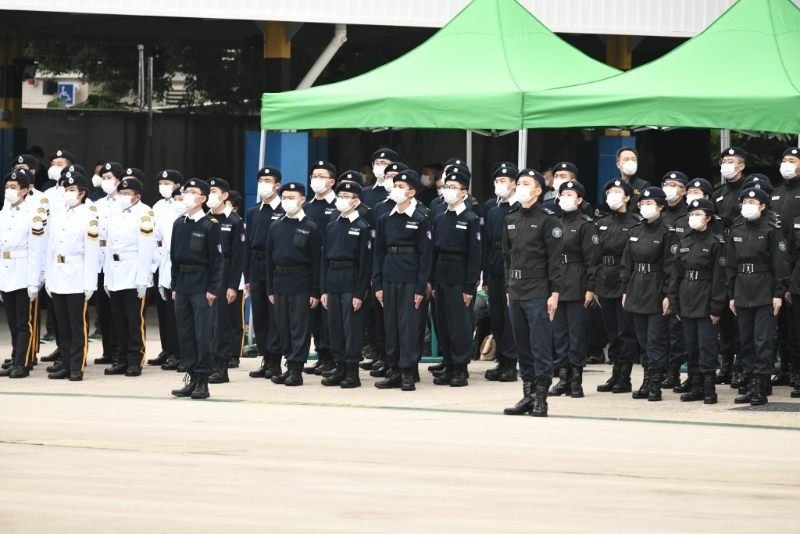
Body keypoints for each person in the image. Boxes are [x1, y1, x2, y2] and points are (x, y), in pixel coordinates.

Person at [502, 169, 562, 417]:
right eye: (518, 183)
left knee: (540, 346)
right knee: (523, 346)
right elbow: (507, 257)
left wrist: (555, 292)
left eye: (526, 184)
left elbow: (555, 260)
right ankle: (527, 395)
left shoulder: (549, 220)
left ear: (538, 190)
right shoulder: (510, 218)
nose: (520, 187)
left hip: (538, 291)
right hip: (516, 290)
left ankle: (541, 398)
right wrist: (508, 287)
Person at [727, 187, 789, 405]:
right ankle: (751, 383)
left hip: (764, 289)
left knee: (763, 340)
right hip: (742, 289)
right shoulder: (736, 230)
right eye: (745, 202)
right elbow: (730, 265)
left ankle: (761, 388)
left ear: (763, 206)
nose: (747, 206)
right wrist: (731, 294)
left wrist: (778, 293)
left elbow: (780, 264)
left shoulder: (772, 230)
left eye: (752, 203)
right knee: (746, 341)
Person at [372, 169, 432, 391]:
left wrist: (420, 287)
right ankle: (394, 369)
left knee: (408, 326)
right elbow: (378, 253)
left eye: (401, 187)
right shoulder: (384, 218)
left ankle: (408, 371)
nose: (396, 190)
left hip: (410, 279)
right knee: (391, 327)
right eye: (395, 186)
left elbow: (426, 256)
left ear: (411, 192)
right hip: (389, 277)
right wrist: (378, 284)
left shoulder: (420, 218)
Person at [620, 187, 680, 401]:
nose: (645, 207)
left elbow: (671, 267)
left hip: (656, 288)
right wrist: (625, 289)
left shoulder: (668, 233)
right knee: (643, 338)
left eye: (650, 204)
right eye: (642, 204)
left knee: (655, 339)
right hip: (637, 287)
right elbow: (626, 263)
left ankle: (655, 383)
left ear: (661, 207)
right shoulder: (635, 230)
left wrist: (668, 295)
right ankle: (646, 379)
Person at [668, 197, 727, 404]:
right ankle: (696, 385)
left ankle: (709, 388)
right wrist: (675, 303)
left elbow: (720, 278)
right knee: (691, 346)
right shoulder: (684, 242)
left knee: (706, 346)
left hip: (705, 299)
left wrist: (716, 307)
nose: (694, 218)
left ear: (708, 218)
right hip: (686, 299)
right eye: (691, 214)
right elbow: (676, 275)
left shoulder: (715, 244)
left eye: (698, 214)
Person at [169, 179, 223, 399]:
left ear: (203, 198)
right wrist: (174, 285)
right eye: (186, 191)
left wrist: (213, 288)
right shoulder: (179, 224)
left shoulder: (210, 224)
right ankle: (191, 376)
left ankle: (203, 381)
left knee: (202, 334)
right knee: (185, 334)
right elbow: (173, 258)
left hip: (201, 284)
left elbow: (217, 260)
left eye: (193, 192)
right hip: (183, 283)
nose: (188, 195)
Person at [44, 172, 99, 381]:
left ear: (82, 193)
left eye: (72, 190)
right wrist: (48, 278)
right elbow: (50, 251)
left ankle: (77, 366)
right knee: (63, 324)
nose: (67, 193)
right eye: (66, 190)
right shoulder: (57, 217)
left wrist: (90, 282)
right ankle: (65, 364)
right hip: (58, 275)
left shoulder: (89, 218)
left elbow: (92, 253)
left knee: (77, 325)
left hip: (77, 276)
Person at [266, 182, 322, 387]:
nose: (287, 201)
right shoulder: (276, 226)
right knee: (284, 327)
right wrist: (270, 288)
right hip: (280, 283)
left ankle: (297, 370)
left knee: (299, 328)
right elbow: (269, 260)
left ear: (302, 200)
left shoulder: (311, 227)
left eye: (292, 198)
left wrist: (315, 291)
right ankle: (289, 365)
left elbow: (317, 262)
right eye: (285, 198)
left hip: (301, 283)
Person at [549, 181, 600, 399]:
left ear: (580, 200)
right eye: (563, 194)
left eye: (570, 194)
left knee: (576, 334)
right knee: (560, 335)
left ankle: (576, 380)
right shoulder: (555, 223)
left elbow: (593, 259)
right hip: (557, 284)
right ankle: (563, 378)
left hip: (578, 282)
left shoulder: (586, 224)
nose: (565, 198)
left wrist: (591, 287)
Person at [430, 170, 481, 387]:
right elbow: (433, 251)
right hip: (441, 275)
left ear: (463, 193)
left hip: (460, 277)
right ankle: (449, 363)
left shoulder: (470, 219)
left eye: (453, 188)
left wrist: (469, 286)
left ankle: (461, 368)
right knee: (442, 323)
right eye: (446, 187)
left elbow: (475, 255)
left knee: (459, 324)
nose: (448, 191)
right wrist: (432, 280)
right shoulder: (440, 217)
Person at [320, 181, 372, 388]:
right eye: (340, 196)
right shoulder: (332, 225)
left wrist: (360, 292)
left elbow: (365, 263)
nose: (342, 200)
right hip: (333, 280)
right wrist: (324, 289)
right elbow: (324, 259)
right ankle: (339, 366)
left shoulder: (362, 226)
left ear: (356, 201)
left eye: (347, 197)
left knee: (351, 328)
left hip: (351, 280)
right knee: (335, 327)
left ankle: (352, 371)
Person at [102, 177, 155, 377]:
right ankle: (121, 359)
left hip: (133, 272)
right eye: (121, 194)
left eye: (127, 194)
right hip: (116, 273)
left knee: (134, 321)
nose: (122, 197)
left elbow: (146, 249)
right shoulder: (115, 214)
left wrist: (143, 278)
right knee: (119, 321)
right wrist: (107, 277)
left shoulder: (145, 214)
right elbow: (109, 248)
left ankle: (135, 360)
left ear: (137, 197)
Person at [594, 179, 641, 393]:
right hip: (605, 279)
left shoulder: (635, 222)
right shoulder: (601, 221)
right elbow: (595, 254)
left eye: (617, 191)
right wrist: (595, 283)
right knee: (611, 330)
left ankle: (625, 376)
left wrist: (627, 286)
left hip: (624, 279)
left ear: (627, 197)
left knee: (625, 331)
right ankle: (615, 372)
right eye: (609, 191)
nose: (612, 195)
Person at [0, 169, 45, 379]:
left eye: (14, 187)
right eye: (7, 187)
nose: (9, 191)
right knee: (12, 322)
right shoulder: (3, 214)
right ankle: (15, 358)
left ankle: (23, 362)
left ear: (25, 191)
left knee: (23, 322)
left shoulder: (32, 216)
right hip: (6, 272)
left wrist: (34, 281)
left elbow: (36, 251)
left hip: (23, 272)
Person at [244, 166, 285, 380]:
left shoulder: (284, 210)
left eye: (268, 181)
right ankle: (266, 358)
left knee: (274, 316)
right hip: (257, 267)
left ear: (277, 185)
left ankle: (276, 361)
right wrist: (247, 276)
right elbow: (247, 245)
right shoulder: (253, 211)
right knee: (259, 316)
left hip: (275, 268)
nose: (263, 184)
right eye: (260, 180)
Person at [205, 178, 246, 384]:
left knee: (221, 323)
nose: (210, 195)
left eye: (214, 191)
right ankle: (208, 362)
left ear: (224, 196)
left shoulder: (235, 221)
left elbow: (238, 257)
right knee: (207, 323)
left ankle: (221, 367)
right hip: (206, 274)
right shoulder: (204, 219)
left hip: (225, 273)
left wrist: (232, 286)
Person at [713, 147, 747, 389]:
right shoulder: (718, 193)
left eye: (731, 161)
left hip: (740, 254)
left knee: (738, 318)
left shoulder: (749, 191)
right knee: (723, 314)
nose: (726, 165)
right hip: (720, 255)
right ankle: (725, 364)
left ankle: (739, 365)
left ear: (741, 166)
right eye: (724, 161)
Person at [483, 165, 519, 382]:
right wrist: (486, 275)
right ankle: (501, 360)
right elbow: (486, 243)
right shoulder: (493, 209)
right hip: (494, 265)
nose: (499, 185)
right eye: (497, 181)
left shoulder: (518, 209)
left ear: (514, 183)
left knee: (509, 317)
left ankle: (510, 362)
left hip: (512, 266)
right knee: (496, 316)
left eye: (503, 181)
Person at [303, 160, 339, 376]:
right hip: (308, 266)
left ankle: (332, 356)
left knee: (328, 313)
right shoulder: (306, 207)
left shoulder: (338, 206)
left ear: (332, 181)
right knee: (314, 313)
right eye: (314, 176)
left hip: (330, 265)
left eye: (321, 176)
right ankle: (321, 354)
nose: (317, 180)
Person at [769, 147, 800, 390]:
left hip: (795, 262)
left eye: (792, 160)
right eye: (784, 160)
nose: (786, 164)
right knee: (780, 324)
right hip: (775, 264)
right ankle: (785, 368)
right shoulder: (775, 192)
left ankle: (796, 371)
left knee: (795, 324)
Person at [148, 169, 184, 368]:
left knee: (173, 309)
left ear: (177, 185)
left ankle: (177, 352)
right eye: (161, 183)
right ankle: (166, 348)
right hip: (158, 259)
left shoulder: (181, 205)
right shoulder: (158, 206)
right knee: (162, 309)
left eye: (167, 183)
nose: (163, 187)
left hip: (173, 258)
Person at [659, 171, 690, 390]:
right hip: (656, 278)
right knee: (658, 329)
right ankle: (659, 369)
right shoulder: (658, 213)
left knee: (675, 329)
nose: (669, 188)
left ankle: (674, 370)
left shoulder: (689, 216)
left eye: (674, 185)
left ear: (684, 191)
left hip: (678, 277)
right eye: (666, 184)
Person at [93, 162, 125, 367]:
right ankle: (107, 350)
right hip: (100, 259)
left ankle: (119, 350)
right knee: (102, 309)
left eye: (109, 178)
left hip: (117, 260)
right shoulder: (98, 204)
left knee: (117, 310)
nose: (105, 181)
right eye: (103, 178)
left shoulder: (124, 203)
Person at [612, 147, 649, 212]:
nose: (630, 162)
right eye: (626, 159)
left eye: (633, 159)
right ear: (618, 165)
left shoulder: (644, 186)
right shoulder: (611, 186)